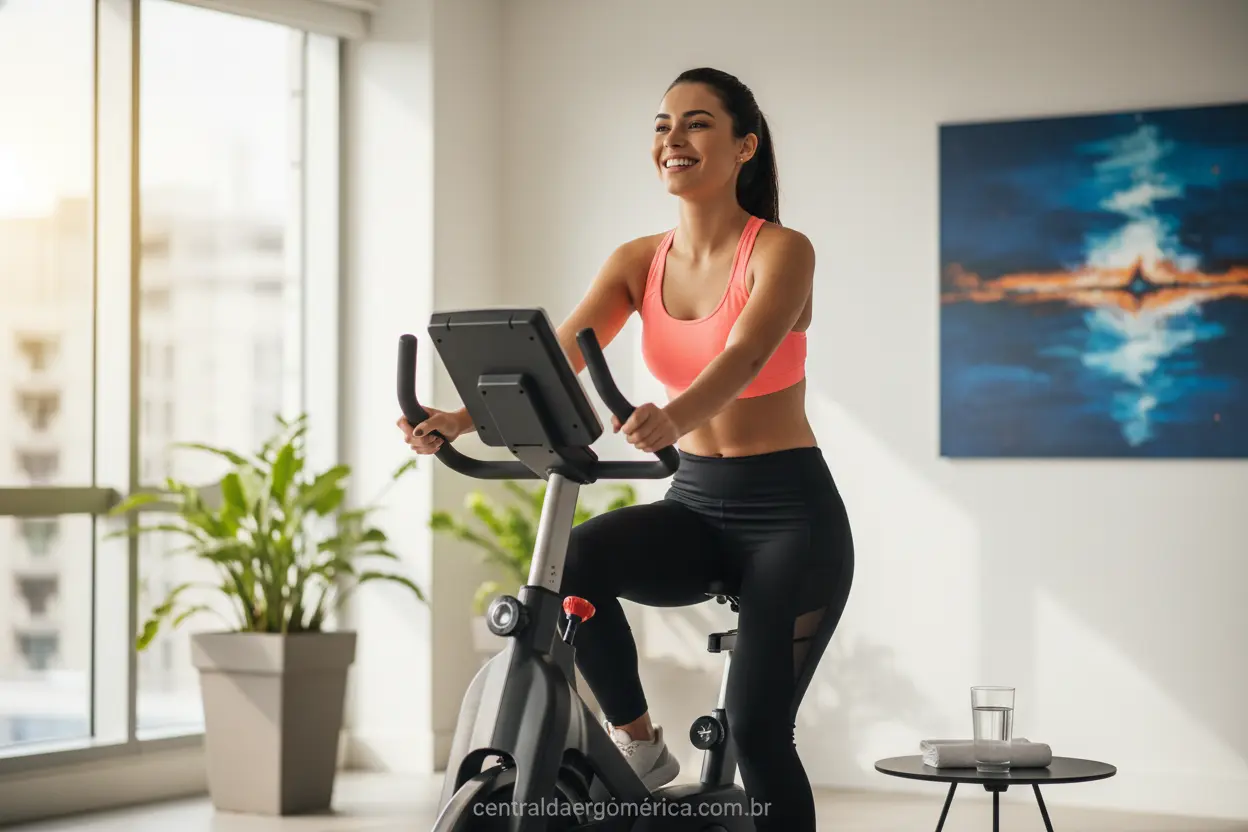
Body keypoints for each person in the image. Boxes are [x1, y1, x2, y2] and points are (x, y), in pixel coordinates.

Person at [399, 67, 854, 832]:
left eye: (697, 123)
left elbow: (742, 358)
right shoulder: (637, 260)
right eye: (662, 124)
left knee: (756, 731)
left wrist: (673, 416)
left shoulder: (782, 251)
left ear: (745, 146)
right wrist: (453, 416)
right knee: (575, 561)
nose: (673, 138)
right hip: (697, 504)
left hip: (791, 520)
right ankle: (638, 744)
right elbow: (558, 362)